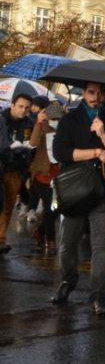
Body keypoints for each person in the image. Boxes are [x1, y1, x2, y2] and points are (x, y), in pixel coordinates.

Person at [50, 82, 105, 315]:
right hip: (74, 190)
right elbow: (60, 152)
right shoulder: (69, 120)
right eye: (91, 92)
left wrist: (103, 135)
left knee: (101, 245)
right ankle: (67, 280)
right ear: (84, 93)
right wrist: (95, 152)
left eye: (101, 93)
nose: (96, 97)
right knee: (68, 243)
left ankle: (99, 294)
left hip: (103, 190)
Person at [27, 100, 65, 255]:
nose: (55, 122)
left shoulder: (65, 129)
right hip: (43, 175)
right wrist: (38, 123)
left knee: (57, 208)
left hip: (60, 175)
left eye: (58, 119)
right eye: (52, 119)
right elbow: (33, 143)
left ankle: (40, 231)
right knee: (50, 209)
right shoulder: (42, 127)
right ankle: (51, 240)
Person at [0, 91, 35, 254]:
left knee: (8, 207)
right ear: (12, 105)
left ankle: (1, 238)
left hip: (16, 170)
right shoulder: (2, 120)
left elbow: (32, 145)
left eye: (27, 108)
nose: (23, 110)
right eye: (20, 106)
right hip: (2, 165)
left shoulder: (29, 123)